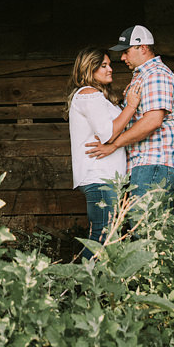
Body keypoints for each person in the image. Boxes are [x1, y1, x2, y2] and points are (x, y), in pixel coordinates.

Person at [86, 25, 174, 204]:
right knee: (150, 226)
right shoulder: (143, 76)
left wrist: (114, 144)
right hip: (148, 164)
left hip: (156, 161)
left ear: (143, 48)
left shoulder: (156, 75)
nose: (123, 57)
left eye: (126, 51)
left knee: (143, 224)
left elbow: (153, 121)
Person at [67, 46, 140, 258]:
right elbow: (108, 133)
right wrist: (132, 106)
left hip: (106, 178)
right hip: (98, 177)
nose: (110, 70)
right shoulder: (89, 94)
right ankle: (85, 288)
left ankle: (96, 287)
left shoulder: (98, 97)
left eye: (110, 65)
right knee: (102, 237)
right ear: (89, 69)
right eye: (103, 66)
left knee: (107, 236)